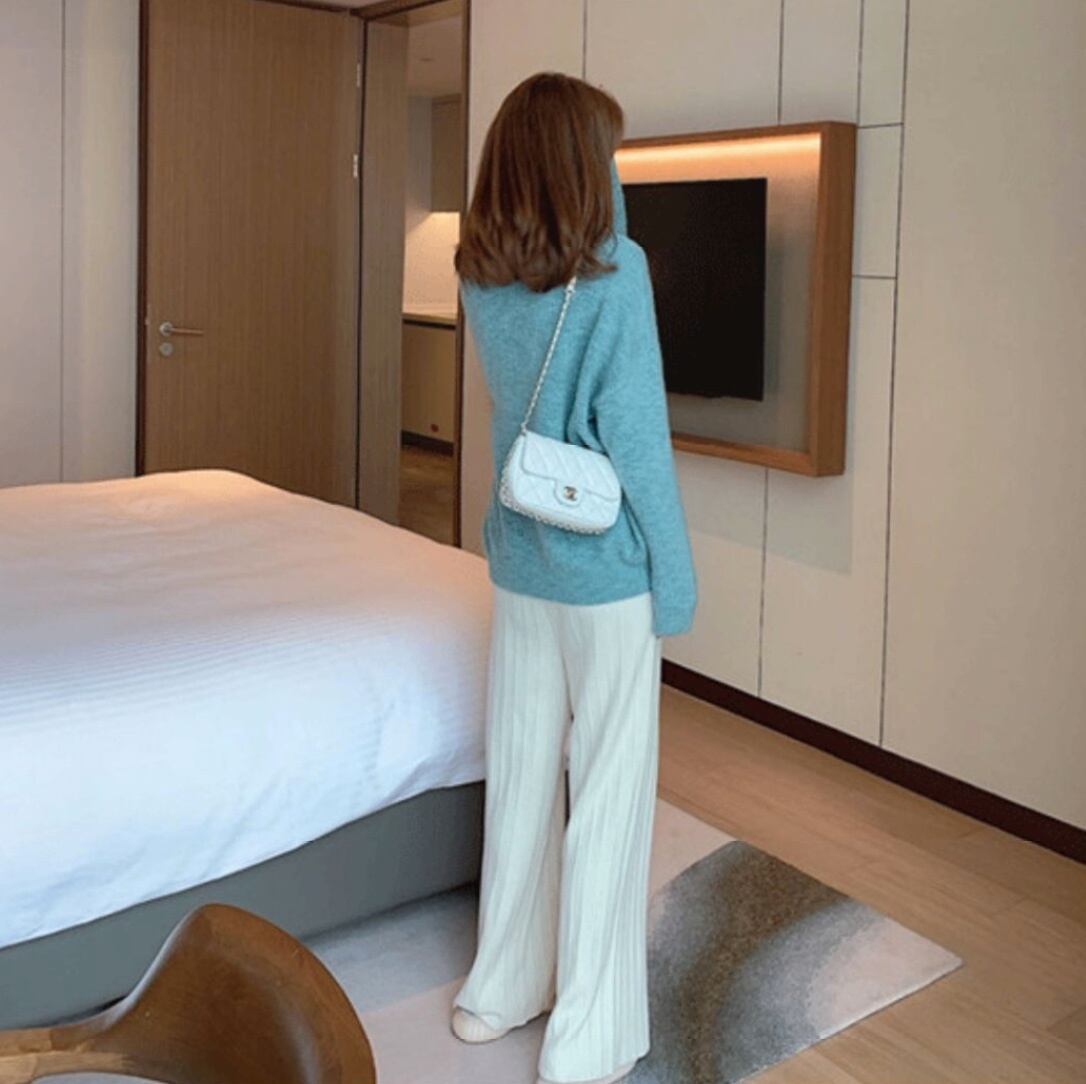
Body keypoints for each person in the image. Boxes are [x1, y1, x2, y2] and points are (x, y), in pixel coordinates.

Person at [449, 71, 697, 1084]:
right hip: (604, 576)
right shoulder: (619, 272)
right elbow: (637, 444)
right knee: (607, 796)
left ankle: (498, 991)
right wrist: (675, 577)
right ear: (586, 163)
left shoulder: (478, 272)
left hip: (519, 563)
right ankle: (586, 1037)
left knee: (520, 780)